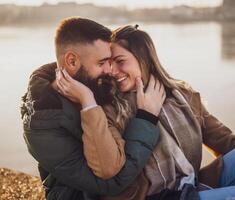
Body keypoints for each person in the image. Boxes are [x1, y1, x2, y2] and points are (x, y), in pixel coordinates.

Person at [56, 24, 235, 200]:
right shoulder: (109, 107)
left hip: (191, 185)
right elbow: (109, 167)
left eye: (119, 61)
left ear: (144, 60)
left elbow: (224, 141)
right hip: (160, 197)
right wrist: (143, 114)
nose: (112, 70)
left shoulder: (181, 95)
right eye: (108, 62)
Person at [21, 18, 166, 200]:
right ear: (72, 61)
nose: (110, 70)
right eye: (102, 62)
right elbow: (110, 179)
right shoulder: (42, 127)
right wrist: (89, 103)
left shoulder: (92, 83)